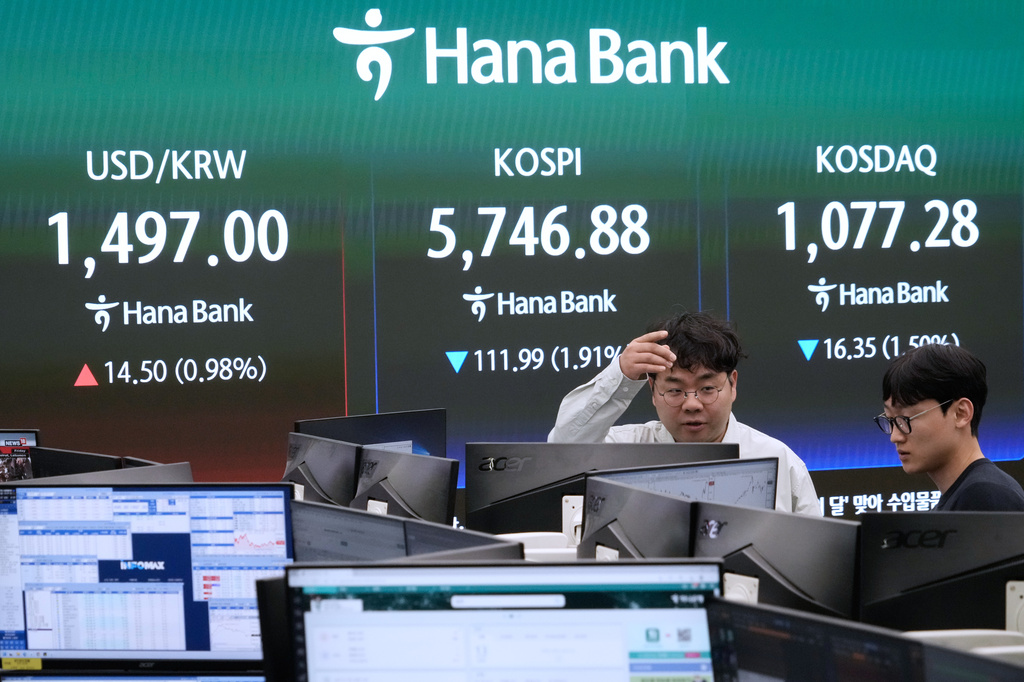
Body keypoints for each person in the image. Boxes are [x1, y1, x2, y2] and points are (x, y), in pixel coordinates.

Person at [549, 311, 821, 515]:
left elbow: (813, 554)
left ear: (732, 384)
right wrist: (620, 374)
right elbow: (562, 448)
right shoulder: (624, 450)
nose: (692, 404)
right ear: (653, 390)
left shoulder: (778, 460)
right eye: (676, 391)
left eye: (707, 388)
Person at [877, 343, 1024, 511]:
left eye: (907, 419)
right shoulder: (965, 496)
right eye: (890, 419)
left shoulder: (986, 496)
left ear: (961, 413)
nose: (895, 436)